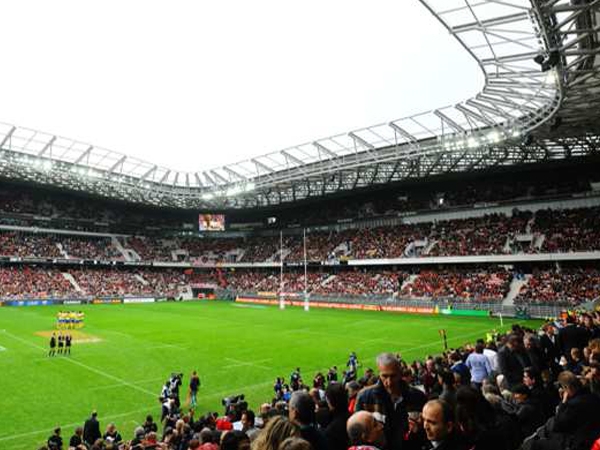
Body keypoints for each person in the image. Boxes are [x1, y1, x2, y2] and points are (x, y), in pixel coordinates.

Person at [355, 353, 425, 450]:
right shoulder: (364, 398)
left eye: (393, 376)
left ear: (400, 373)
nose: (389, 382)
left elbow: (427, 434)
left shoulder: (417, 397)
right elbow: (358, 435)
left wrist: (418, 431)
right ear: (379, 373)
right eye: (384, 376)